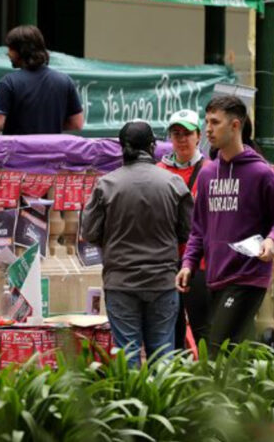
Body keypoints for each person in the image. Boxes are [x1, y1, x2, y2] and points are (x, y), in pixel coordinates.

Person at [176, 95, 274, 356]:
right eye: (207, 122)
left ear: (235, 125)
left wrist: (272, 241)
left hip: (248, 276)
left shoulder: (262, 173)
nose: (208, 129)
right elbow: (198, 229)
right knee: (237, 351)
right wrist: (188, 264)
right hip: (215, 276)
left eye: (215, 122)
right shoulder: (208, 174)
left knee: (216, 346)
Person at [82, 121, 192, 366]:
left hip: (121, 282)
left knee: (128, 355)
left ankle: (131, 393)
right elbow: (187, 231)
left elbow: (89, 232)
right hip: (163, 281)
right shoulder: (174, 183)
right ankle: (160, 393)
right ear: (152, 146)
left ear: (122, 147)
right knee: (163, 355)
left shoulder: (106, 185)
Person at [157, 109, 210, 349]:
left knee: (202, 327)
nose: (181, 139)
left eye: (187, 133)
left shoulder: (210, 170)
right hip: (167, 261)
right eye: (176, 133)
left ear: (198, 136)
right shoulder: (159, 170)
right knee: (171, 329)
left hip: (200, 262)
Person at [0, 25, 84, 134]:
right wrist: (49, 125)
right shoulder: (65, 81)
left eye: (11, 48)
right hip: (52, 145)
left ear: (21, 50)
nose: (8, 53)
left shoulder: (8, 82)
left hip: (19, 145)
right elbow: (77, 123)